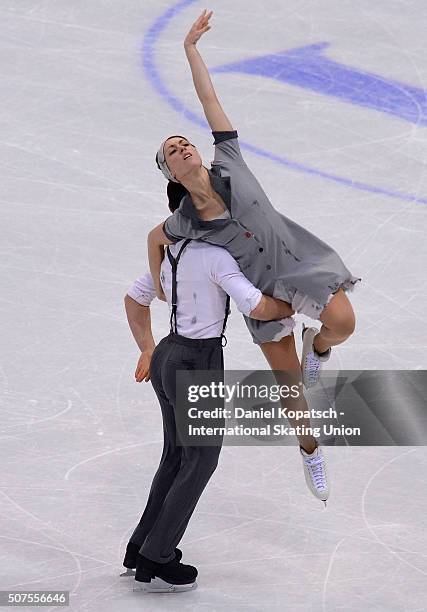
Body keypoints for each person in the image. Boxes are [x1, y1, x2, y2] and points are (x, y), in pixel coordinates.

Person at [147, 10, 360, 457]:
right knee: (290, 390)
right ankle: (310, 450)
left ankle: (316, 347)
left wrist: (190, 49)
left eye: (184, 142)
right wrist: (162, 283)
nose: (183, 147)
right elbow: (155, 239)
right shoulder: (185, 221)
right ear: (171, 172)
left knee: (342, 325)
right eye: (173, 151)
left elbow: (209, 100)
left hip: (299, 262)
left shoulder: (229, 159)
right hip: (261, 293)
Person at [123, 197, 301, 591]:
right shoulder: (217, 257)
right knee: (201, 460)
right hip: (197, 363)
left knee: (176, 455)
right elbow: (253, 305)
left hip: (168, 356)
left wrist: (147, 349)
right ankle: (158, 556)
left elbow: (135, 298)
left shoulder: (171, 253)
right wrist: (295, 303)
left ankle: (141, 546)